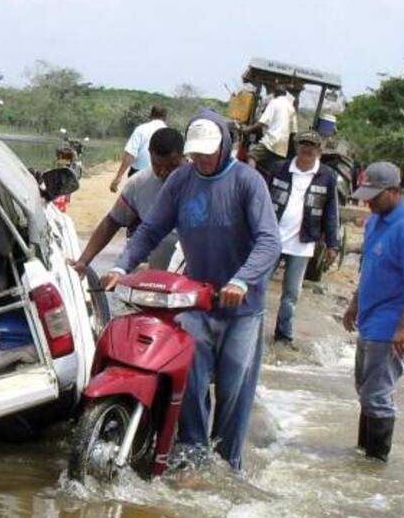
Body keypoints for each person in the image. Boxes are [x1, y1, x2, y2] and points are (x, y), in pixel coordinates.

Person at [103, 110, 281, 470]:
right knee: (191, 379)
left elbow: (269, 241)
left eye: (209, 153)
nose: (202, 159)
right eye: (196, 153)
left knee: (233, 387)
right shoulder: (182, 181)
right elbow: (151, 229)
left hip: (242, 303)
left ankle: (228, 461)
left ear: (225, 147)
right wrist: (122, 266)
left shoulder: (248, 182)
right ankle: (193, 456)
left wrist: (241, 279)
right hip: (197, 298)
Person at [342, 161, 404, 461]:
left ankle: (375, 465)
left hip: (393, 324)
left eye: (374, 196)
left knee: (377, 396)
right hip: (372, 319)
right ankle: (363, 454)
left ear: (395, 191)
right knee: (365, 389)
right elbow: (370, 268)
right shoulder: (377, 220)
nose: (368, 202)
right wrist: (354, 305)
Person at [71, 127, 185, 275]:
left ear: (184, 156)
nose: (163, 173)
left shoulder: (199, 182)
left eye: (171, 166)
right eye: (157, 166)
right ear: (149, 153)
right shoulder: (139, 183)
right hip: (155, 270)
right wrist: (83, 261)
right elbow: (112, 222)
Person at [267, 130, 340, 344]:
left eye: (312, 145)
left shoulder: (327, 176)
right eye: (303, 144)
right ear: (297, 147)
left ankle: (283, 335)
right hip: (272, 238)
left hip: (302, 243)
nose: (307, 149)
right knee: (257, 285)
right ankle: (250, 326)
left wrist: (333, 244)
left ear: (319, 150)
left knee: (291, 293)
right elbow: (261, 199)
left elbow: (331, 212)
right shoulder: (280, 169)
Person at [243, 85, 297, 177]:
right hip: (283, 145)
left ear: (275, 94)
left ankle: (250, 179)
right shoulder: (291, 107)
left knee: (252, 155)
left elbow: (263, 122)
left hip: (271, 140)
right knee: (273, 167)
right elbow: (294, 130)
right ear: (285, 95)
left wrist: (248, 129)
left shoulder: (274, 102)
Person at [110, 106, 167, 193]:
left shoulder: (141, 129)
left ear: (150, 116)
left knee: (134, 204)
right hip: (161, 176)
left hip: (138, 174)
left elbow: (130, 154)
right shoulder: (170, 132)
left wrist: (119, 176)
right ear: (165, 118)